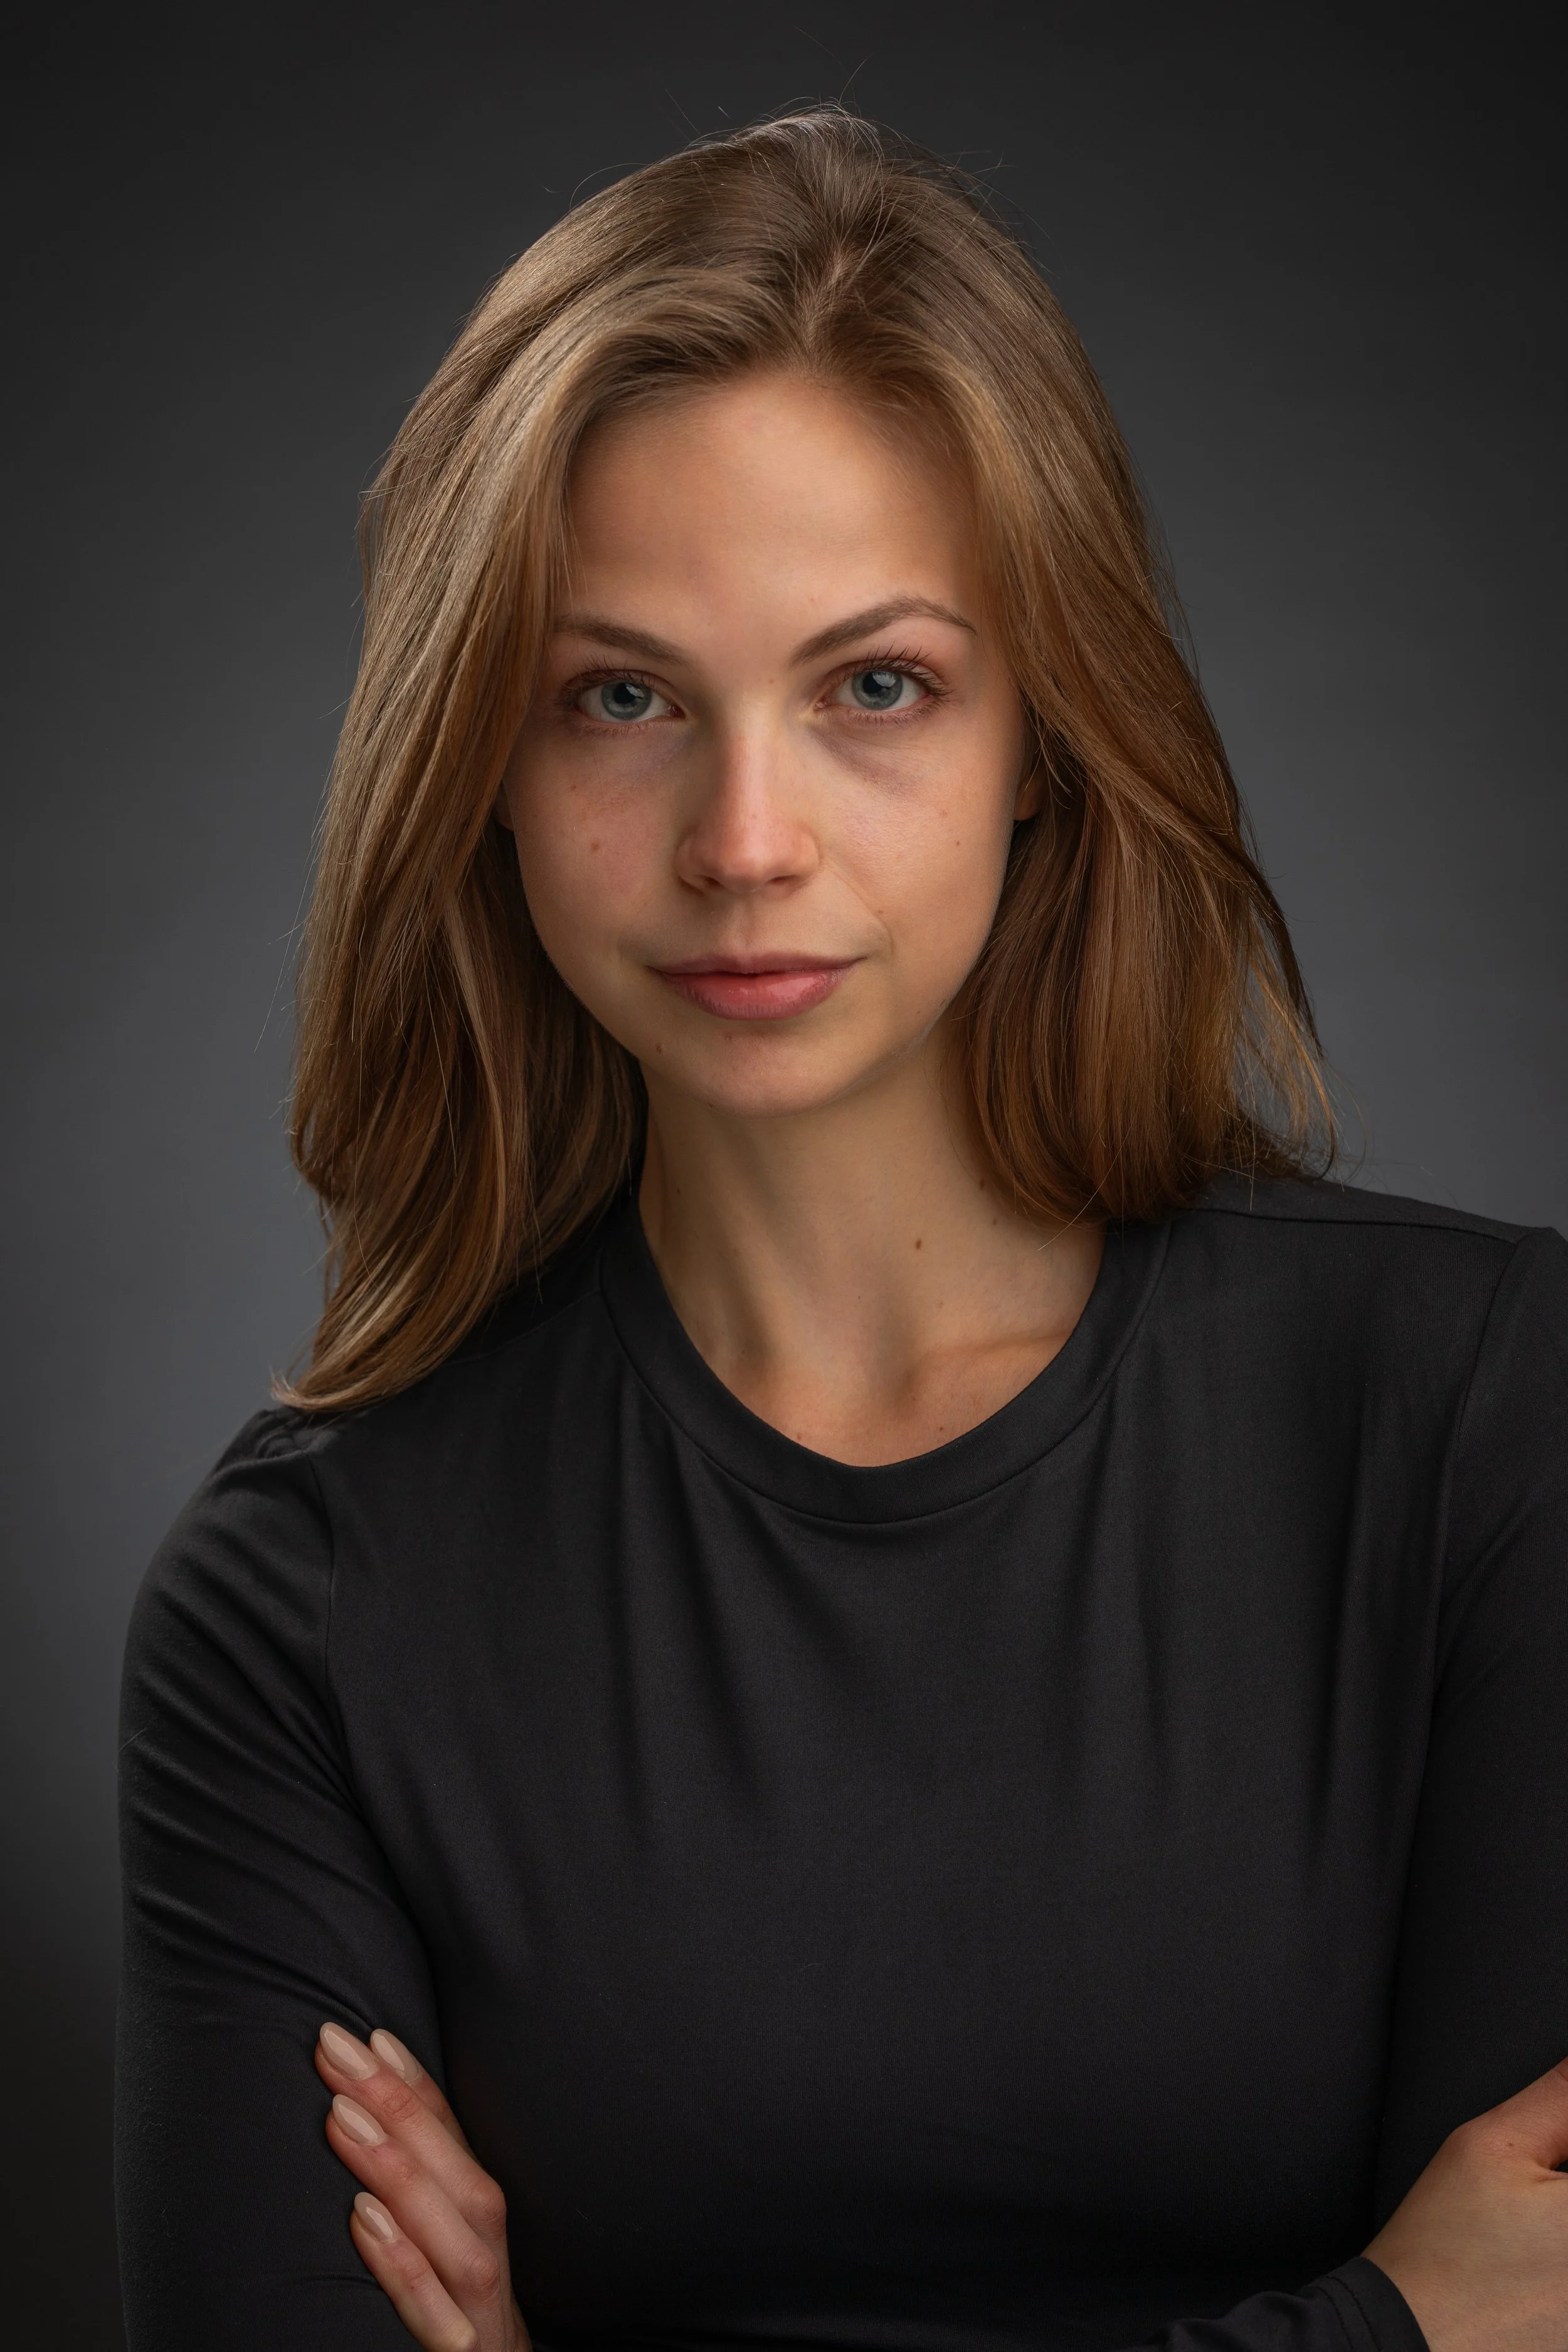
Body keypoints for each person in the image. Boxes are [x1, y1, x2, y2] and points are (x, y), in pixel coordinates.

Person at [115, 110, 1568, 2352]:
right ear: (474, 770)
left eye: (873, 683)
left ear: (1042, 739)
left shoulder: (1489, 1423)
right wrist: (1375, 2329)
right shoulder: (301, 1604)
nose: (745, 838)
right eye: (620, 697)